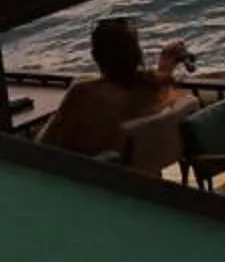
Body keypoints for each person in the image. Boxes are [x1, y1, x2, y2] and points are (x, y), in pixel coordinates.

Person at [37, 18, 194, 158]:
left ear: (95, 56)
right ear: (137, 54)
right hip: (134, 178)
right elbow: (156, 79)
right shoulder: (150, 89)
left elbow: (44, 146)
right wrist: (166, 60)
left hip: (87, 178)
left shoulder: (83, 93)